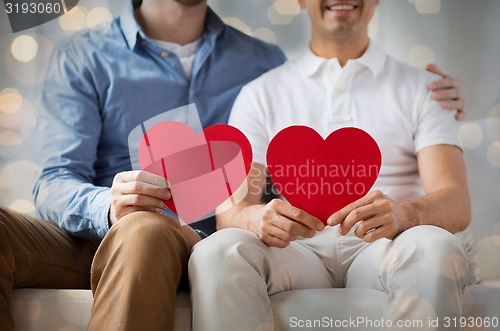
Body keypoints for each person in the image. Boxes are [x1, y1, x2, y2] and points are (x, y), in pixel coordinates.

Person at [0, 0, 465, 330]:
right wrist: (107, 204)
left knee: (143, 229)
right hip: (96, 230)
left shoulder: (260, 64)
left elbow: (304, 120)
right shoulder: (85, 56)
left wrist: (435, 93)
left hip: (175, 234)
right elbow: (55, 180)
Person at [189, 1, 471, 330]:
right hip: (295, 252)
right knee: (216, 252)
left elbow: (456, 201)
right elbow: (233, 211)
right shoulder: (260, 94)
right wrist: (257, 217)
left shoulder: (427, 89)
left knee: (436, 247)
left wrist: (405, 213)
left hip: (387, 247)